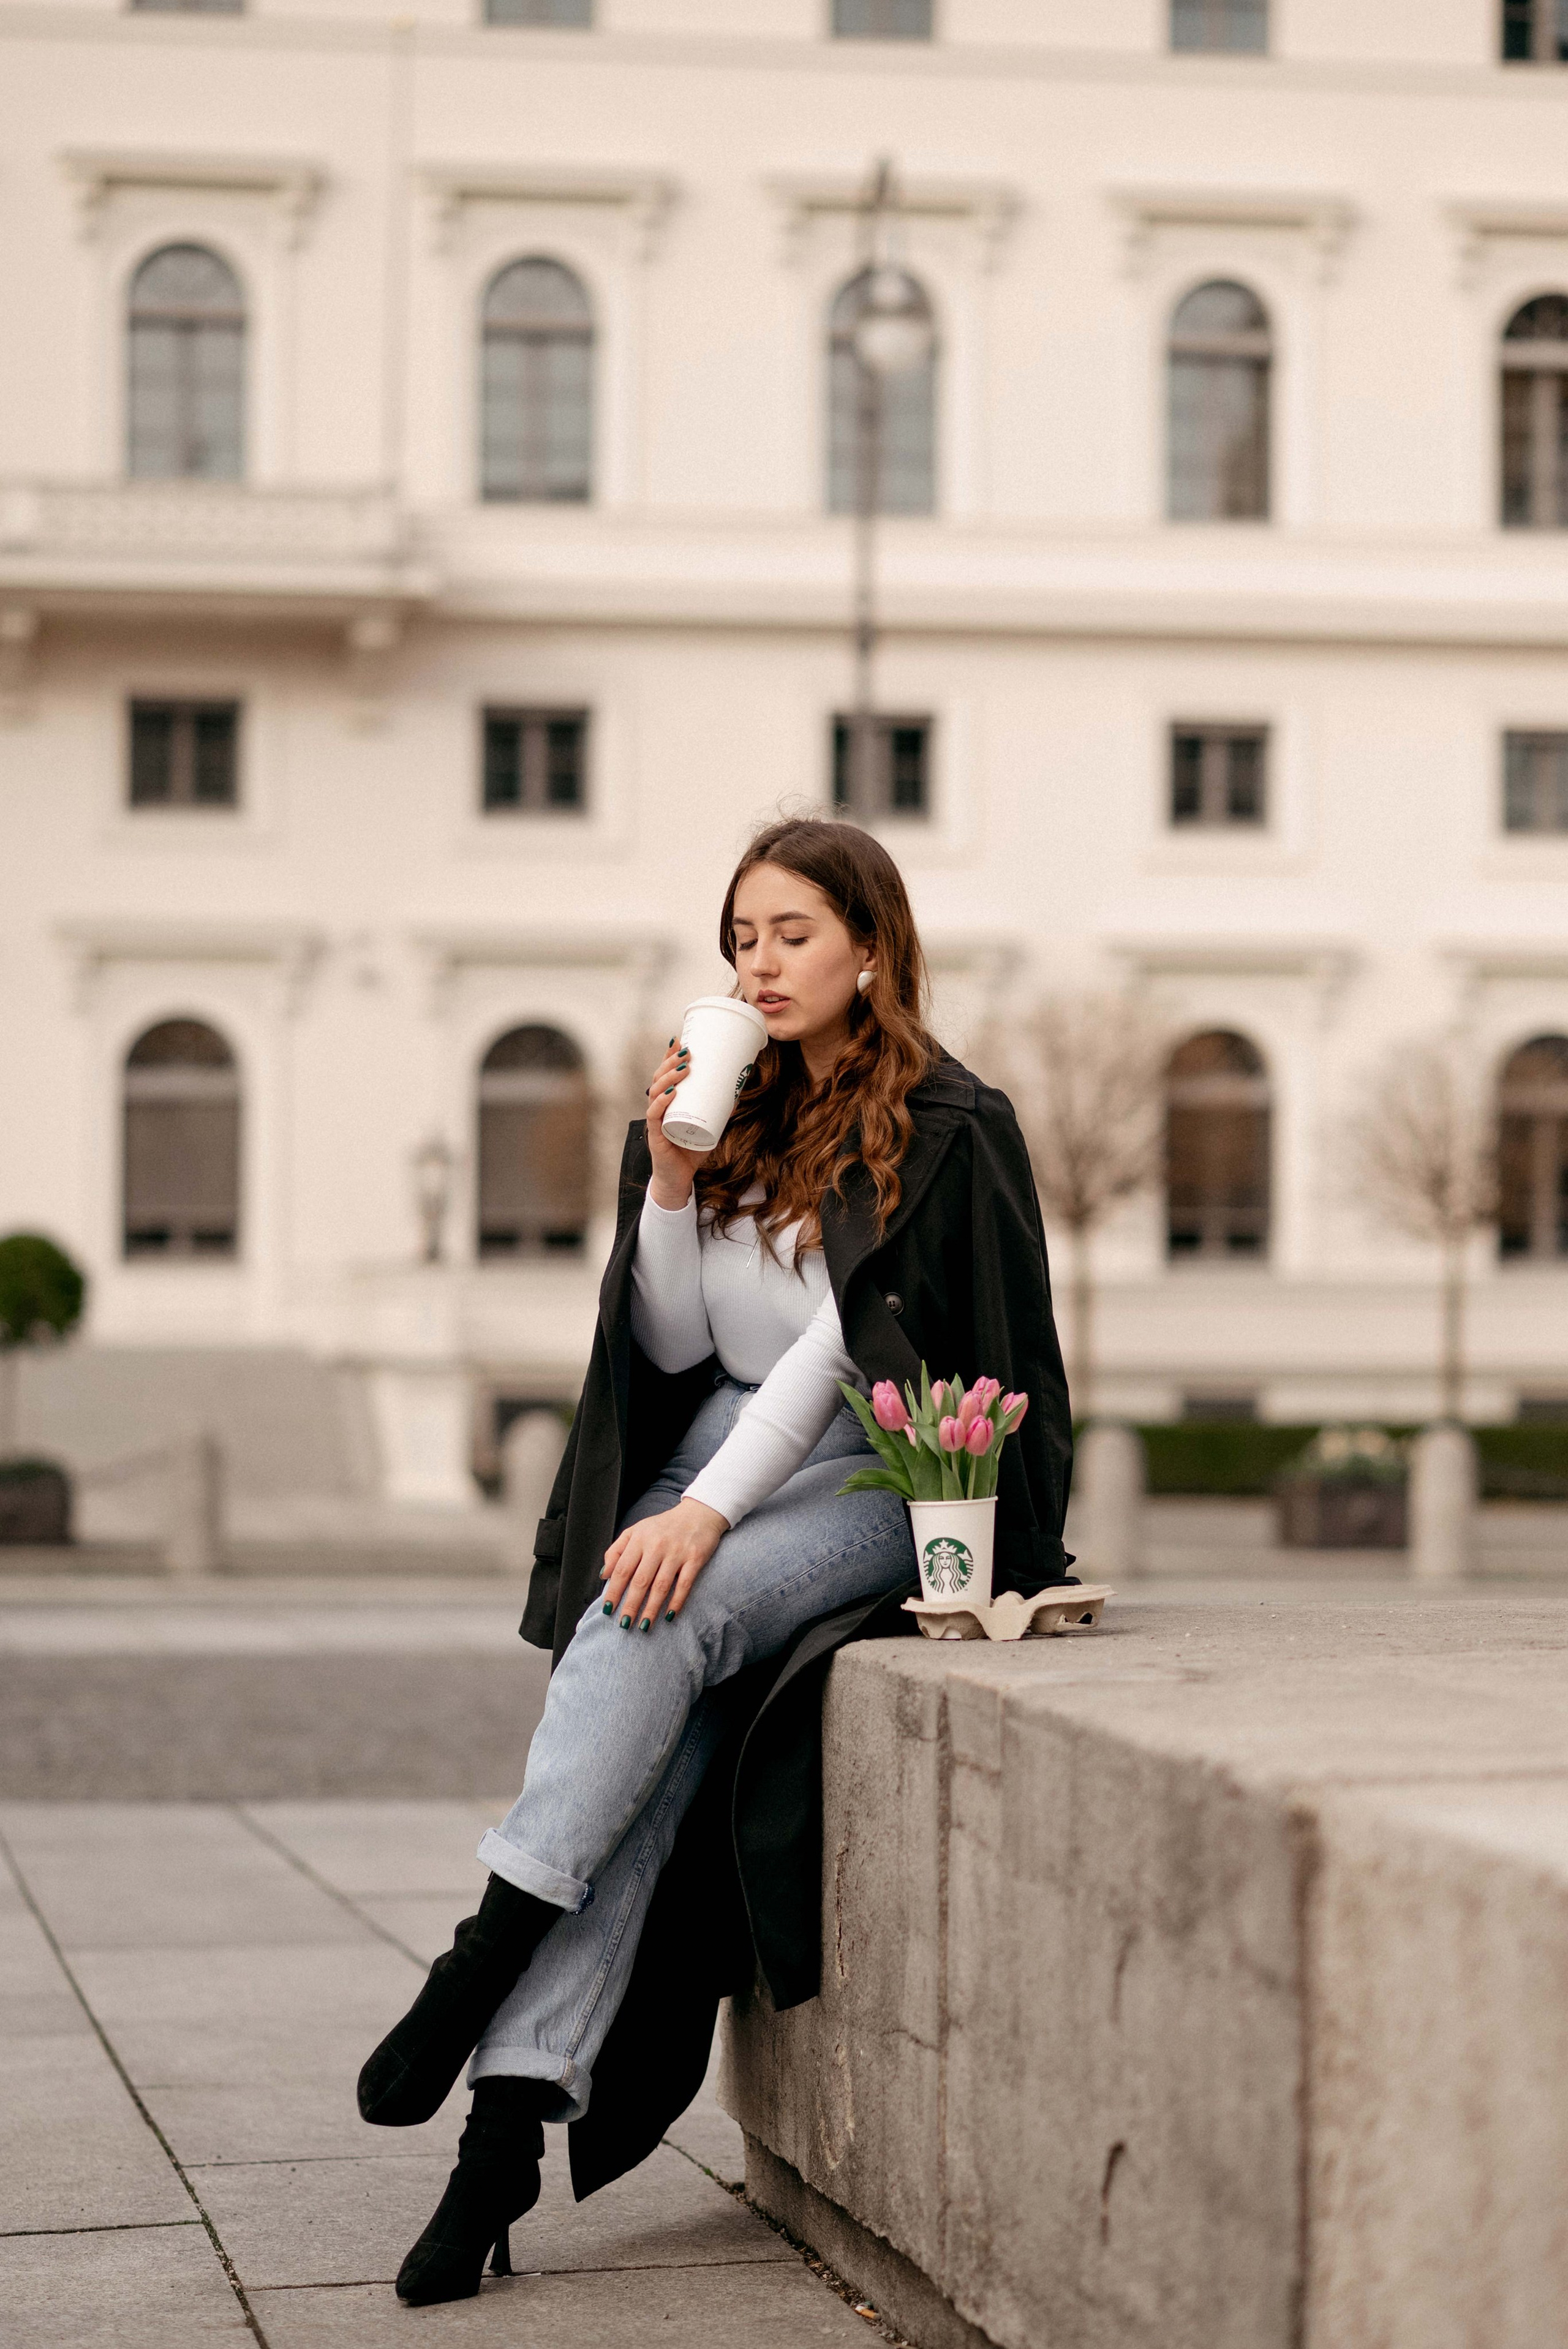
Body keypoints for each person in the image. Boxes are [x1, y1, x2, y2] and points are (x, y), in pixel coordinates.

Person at [357, 815, 1074, 2306]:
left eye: (792, 932)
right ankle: (498, 2137)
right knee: (657, 1735)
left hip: (883, 1467)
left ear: (869, 948)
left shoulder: (943, 1123)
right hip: (725, 1458)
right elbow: (679, 1347)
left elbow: (828, 1357)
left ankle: (484, 1952)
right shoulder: (725, 1111)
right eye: (741, 936)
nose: (759, 961)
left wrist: (701, 1518)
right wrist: (672, 1182)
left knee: (655, 1607)